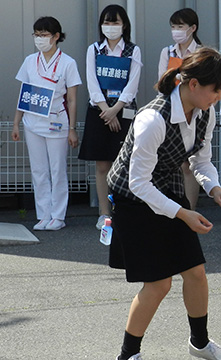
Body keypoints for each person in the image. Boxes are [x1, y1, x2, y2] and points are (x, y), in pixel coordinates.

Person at [107, 47, 221, 360]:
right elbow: (138, 183)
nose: (218, 96)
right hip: (133, 200)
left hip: (167, 190)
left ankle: (200, 343)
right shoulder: (152, 119)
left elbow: (200, 161)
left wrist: (216, 188)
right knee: (158, 284)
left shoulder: (206, 111)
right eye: (215, 90)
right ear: (193, 85)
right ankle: (128, 355)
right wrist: (183, 214)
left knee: (196, 273)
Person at [11, 16, 81, 231]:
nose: (40, 39)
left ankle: (58, 216)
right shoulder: (30, 61)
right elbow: (24, 94)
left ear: (56, 36)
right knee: (39, 170)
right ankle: (43, 214)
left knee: (57, 169)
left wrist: (72, 128)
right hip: (33, 122)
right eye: (37, 35)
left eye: (44, 35)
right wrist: (16, 123)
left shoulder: (68, 63)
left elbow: (71, 99)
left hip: (57, 122)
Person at [78, 4, 142, 230]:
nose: (111, 26)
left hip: (124, 112)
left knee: (124, 165)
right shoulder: (94, 49)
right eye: (107, 22)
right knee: (102, 165)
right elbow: (92, 83)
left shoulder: (132, 50)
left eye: (115, 22)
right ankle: (104, 213)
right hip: (99, 111)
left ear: (124, 25)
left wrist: (115, 110)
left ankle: (123, 211)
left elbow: (132, 85)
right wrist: (107, 111)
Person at [158, 8, 203, 210]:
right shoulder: (167, 52)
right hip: (171, 113)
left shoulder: (201, 53)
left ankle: (190, 209)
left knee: (189, 164)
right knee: (172, 161)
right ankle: (174, 208)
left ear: (192, 28)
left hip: (195, 113)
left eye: (180, 26)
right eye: (173, 26)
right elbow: (162, 84)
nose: (176, 31)